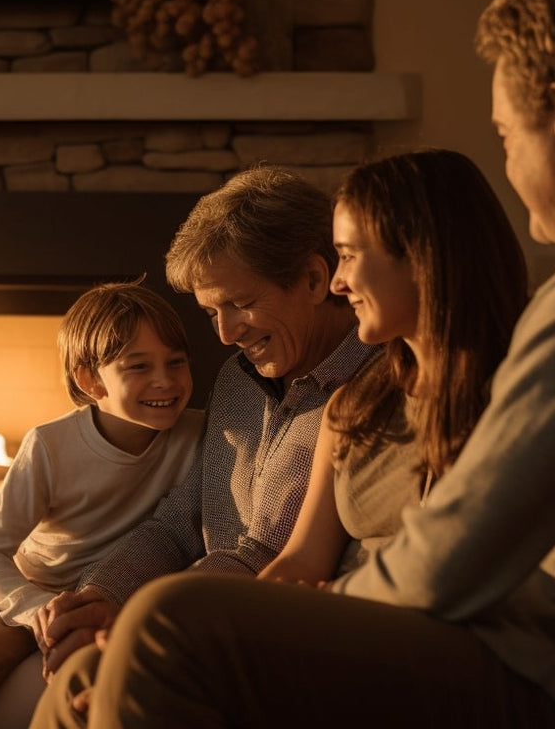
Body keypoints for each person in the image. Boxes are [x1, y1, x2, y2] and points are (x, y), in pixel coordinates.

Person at [30, 0, 555, 729]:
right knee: (109, 662)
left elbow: (457, 555)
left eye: (505, 135)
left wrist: (303, 624)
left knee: (172, 627)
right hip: (532, 647)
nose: (340, 280)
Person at [33, 166, 376, 677]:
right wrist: (102, 593)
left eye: (240, 304)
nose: (224, 335)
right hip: (187, 609)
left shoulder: (369, 389)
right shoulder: (239, 380)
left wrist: (135, 620)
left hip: (249, 638)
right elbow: (180, 522)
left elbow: (266, 555)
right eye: (211, 312)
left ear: (312, 278)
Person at [0, 280, 205, 729]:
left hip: (91, 596)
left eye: (176, 362)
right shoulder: (51, 445)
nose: (165, 380)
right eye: (139, 366)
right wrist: (33, 610)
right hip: (30, 591)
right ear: (90, 381)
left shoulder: (201, 435)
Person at [259, 150, 528, 588]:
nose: (336, 283)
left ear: (421, 256)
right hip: (328, 627)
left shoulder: (518, 395)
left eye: (348, 256)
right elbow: (302, 561)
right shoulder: (354, 408)